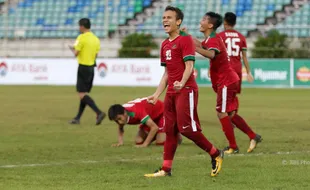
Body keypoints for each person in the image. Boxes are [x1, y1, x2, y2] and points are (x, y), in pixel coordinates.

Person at [144, 6, 223, 178]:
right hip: (171, 92)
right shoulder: (164, 45)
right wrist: (156, 95)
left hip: (186, 90)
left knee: (187, 130)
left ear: (178, 21)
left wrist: (182, 81)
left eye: (169, 17)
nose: (165, 20)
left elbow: (189, 65)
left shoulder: (185, 40)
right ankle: (166, 169)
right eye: (164, 17)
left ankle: (216, 153)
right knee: (170, 131)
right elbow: (166, 74)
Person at [192, 12, 261, 154]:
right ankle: (253, 136)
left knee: (221, 112)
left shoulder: (215, 39)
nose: (200, 21)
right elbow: (201, 44)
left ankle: (233, 146)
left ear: (211, 25)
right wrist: (184, 36)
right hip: (231, 78)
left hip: (226, 80)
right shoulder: (214, 38)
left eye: (203, 19)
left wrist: (194, 48)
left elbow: (210, 53)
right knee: (230, 114)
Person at [68, 18, 105, 125]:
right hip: (91, 68)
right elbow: (96, 55)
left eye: (79, 26)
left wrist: (71, 48)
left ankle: (99, 112)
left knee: (81, 94)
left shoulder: (81, 37)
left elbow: (76, 53)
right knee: (84, 94)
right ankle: (77, 118)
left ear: (82, 26)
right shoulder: (96, 39)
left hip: (83, 67)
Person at [108, 98, 180, 148]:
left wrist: (145, 144)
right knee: (138, 141)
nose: (119, 122)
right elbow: (120, 126)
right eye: (116, 120)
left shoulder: (136, 111)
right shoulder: (121, 113)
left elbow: (154, 127)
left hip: (162, 112)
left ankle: (175, 131)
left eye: (119, 119)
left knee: (160, 142)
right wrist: (120, 142)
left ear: (125, 113)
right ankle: (159, 133)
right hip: (150, 117)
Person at [218, 12, 253, 93]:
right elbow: (244, 57)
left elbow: (215, 54)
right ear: (235, 23)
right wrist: (248, 72)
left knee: (223, 95)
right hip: (237, 70)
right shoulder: (241, 37)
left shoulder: (220, 36)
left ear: (225, 22)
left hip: (224, 70)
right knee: (233, 96)